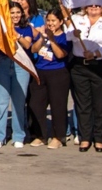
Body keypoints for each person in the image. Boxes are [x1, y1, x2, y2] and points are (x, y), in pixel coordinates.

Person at [68, 5, 102, 153]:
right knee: (83, 104)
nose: (94, 7)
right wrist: (73, 34)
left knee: (101, 104)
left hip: (99, 66)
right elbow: (67, 35)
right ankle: (85, 137)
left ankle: (100, 139)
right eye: (90, 5)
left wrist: (96, 53)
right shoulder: (77, 19)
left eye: (97, 5)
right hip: (79, 67)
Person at [28, 9, 72, 148]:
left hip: (57, 73)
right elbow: (34, 49)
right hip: (40, 71)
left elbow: (60, 54)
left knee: (57, 106)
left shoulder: (65, 37)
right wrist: (43, 38)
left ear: (60, 22)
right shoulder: (43, 35)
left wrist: (52, 40)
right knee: (36, 104)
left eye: (53, 21)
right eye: (48, 20)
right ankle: (40, 135)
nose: (50, 23)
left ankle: (58, 136)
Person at [0, 3, 29, 148]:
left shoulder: (26, 28)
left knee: (18, 103)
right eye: (12, 13)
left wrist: (17, 36)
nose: (15, 15)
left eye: (17, 12)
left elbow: (28, 45)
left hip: (21, 65)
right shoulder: (2, 28)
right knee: (1, 102)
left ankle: (18, 135)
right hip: (3, 64)